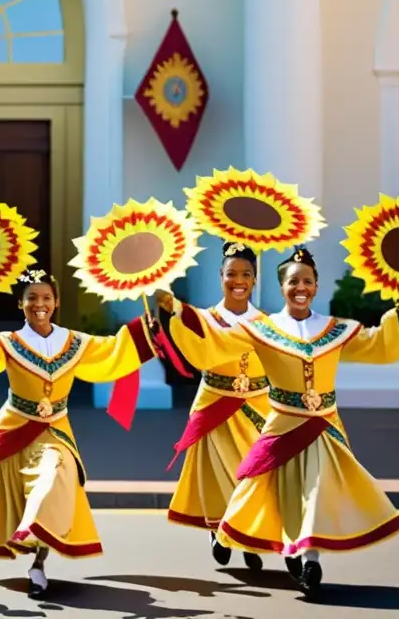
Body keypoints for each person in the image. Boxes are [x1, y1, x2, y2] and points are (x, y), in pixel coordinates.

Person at [157, 247, 399, 598]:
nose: (301, 287)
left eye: (308, 281)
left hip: (323, 427)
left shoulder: (334, 328)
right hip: (280, 425)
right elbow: (212, 347)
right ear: (281, 287)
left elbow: (376, 345)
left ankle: (309, 559)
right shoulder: (262, 329)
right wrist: (177, 312)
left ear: (316, 286)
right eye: (294, 281)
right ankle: (237, 534)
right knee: (262, 491)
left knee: (316, 491)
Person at [0, 269, 157, 599]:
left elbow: (112, 352)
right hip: (16, 428)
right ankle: (33, 553)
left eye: (47, 298)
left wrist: (145, 332)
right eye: (32, 298)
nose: (40, 304)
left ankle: (37, 560)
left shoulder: (75, 342)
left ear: (57, 302)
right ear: (20, 304)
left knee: (54, 474)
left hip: (56, 429)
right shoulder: (7, 342)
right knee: (19, 494)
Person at [158, 242, 268, 571]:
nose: (239, 280)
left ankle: (246, 533)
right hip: (216, 407)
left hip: (257, 410)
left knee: (254, 478)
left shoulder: (267, 323)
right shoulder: (203, 319)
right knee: (223, 477)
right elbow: (194, 347)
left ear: (254, 279)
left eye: (246, 274)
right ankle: (221, 529)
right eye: (231, 273)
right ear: (220, 277)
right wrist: (170, 307)